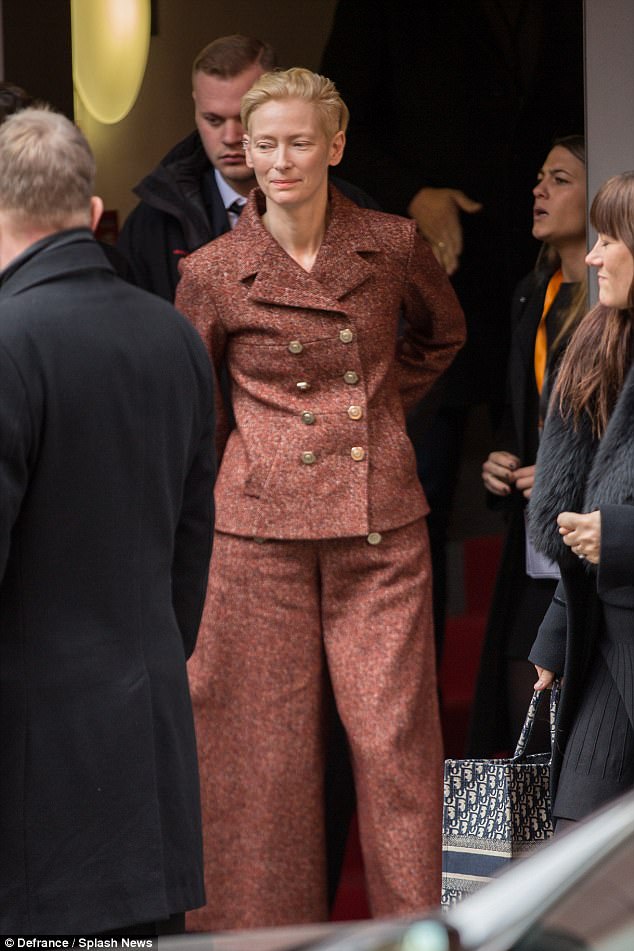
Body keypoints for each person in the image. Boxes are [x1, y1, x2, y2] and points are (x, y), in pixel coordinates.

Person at [175, 67, 465, 929]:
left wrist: (374, 415)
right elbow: (200, 407)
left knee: (396, 750)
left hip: (380, 529)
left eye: (299, 141)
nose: (278, 160)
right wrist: (264, 459)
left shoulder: (394, 242)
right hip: (255, 536)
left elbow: (442, 333)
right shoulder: (214, 270)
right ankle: (256, 943)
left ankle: (418, 936)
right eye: (264, 144)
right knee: (258, 761)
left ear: (335, 144)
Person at [0, 107, 216, 935]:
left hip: (33, 782)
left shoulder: (11, 341)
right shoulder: (174, 337)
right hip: (148, 745)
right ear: (91, 212)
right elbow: (192, 547)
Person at [320, 0, 585, 658]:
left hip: (540, 283)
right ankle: (423, 708)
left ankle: (543, 700)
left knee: (550, 478)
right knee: (419, 496)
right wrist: (413, 194)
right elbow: (336, 117)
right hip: (426, 282)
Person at [468, 136, 587, 756]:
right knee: (526, 732)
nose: (539, 190)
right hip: (533, 544)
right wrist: (502, 459)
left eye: (560, 180)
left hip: (592, 544)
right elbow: (525, 416)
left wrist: (565, 478)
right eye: (540, 176)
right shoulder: (529, 294)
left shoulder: (612, 304)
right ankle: (537, 856)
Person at [527, 170, 634, 826]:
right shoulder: (601, 345)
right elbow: (576, 520)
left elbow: (604, 525)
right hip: (608, 648)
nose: (591, 256)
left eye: (609, 237)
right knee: (576, 842)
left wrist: (621, 535)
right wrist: (555, 639)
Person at [117, 33, 377, 302]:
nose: (231, 137)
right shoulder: (153, 222)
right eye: (213, 120)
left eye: (243, 117)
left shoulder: (356, 209)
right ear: (196, 108)